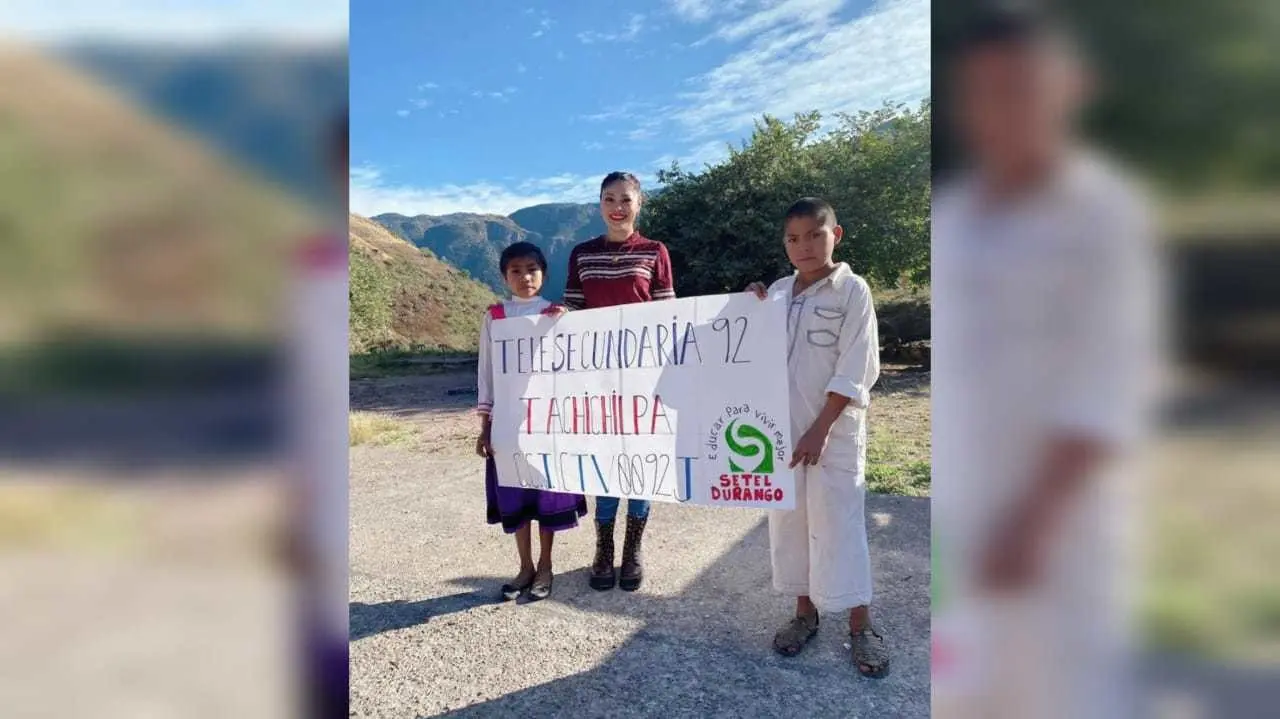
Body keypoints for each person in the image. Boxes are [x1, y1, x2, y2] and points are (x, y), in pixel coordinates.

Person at [932, 5, 1158, 718]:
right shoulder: (958, 214)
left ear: (1069, 88)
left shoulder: (1104, 214)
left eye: (1020, 89)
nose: (1001, 112)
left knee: (1063, 692)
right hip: (964, 513)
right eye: (984, 92)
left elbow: (1110, 380)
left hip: (1058, 528)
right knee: (971, 692)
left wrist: (1032, 520)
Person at [745, 197, 889, 678]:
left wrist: (820, 428)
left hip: (832, 434)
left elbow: (856, 367)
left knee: (840, 524)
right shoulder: (779, 293)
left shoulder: (853, 292)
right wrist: (748, 307)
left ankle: (860, 624)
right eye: (792, 238)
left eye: (814, 234)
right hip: (781, 435)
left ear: (836, 235)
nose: (803, 246)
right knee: (790, 523)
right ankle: (805, 614)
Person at [562, 171, 676, 592]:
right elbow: (572, 309)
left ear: (639, 203)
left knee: (640, 464)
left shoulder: (654, 251)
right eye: (609, 198)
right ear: (599, 204)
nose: (617, 207)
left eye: (625, 199)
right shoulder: (581, 254)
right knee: (606, 463)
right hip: (597, 379)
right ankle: (603, 550)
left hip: (645, 381)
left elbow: (668, 314)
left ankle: (632, 552)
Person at [476, 241, 587, 602]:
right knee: (516, 498)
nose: (525, 277)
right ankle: (523, 566)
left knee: (545, 499)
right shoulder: (495, 317)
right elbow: (487, 373)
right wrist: (485, 425)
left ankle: (546, 566)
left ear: (544, 273)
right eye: (516, 271)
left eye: (532, 269)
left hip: (546, 426)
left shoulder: (556, 314)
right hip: (508, 427)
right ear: (504, 276)